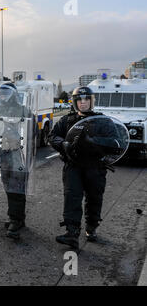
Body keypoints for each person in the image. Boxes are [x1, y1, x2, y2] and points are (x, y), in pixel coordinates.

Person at [49, 86, 110, 249]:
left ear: (91, 101)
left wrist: (96, 142)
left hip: (95, 167)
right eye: (79, 100)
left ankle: (91, 227)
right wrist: (62, 144)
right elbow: (52, 136)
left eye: (86, 99)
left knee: (94, 198)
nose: (83, 103)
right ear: (75, 102)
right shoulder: (67, 120)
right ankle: (72, 232)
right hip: (73, 165)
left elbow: (116, 140)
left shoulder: (102, 121)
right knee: (72, 197)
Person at [0, 83, 36, 238]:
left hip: (18, 155)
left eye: (5, 93)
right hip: (4, 154)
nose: (3, 96)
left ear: (13, 94)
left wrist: (16, 139)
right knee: (8, 186)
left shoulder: (24, 110)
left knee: (16, 187)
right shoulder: (0, 110)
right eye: (1, 93)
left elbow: (32, 132)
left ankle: (15, 220)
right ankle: (18, 217)